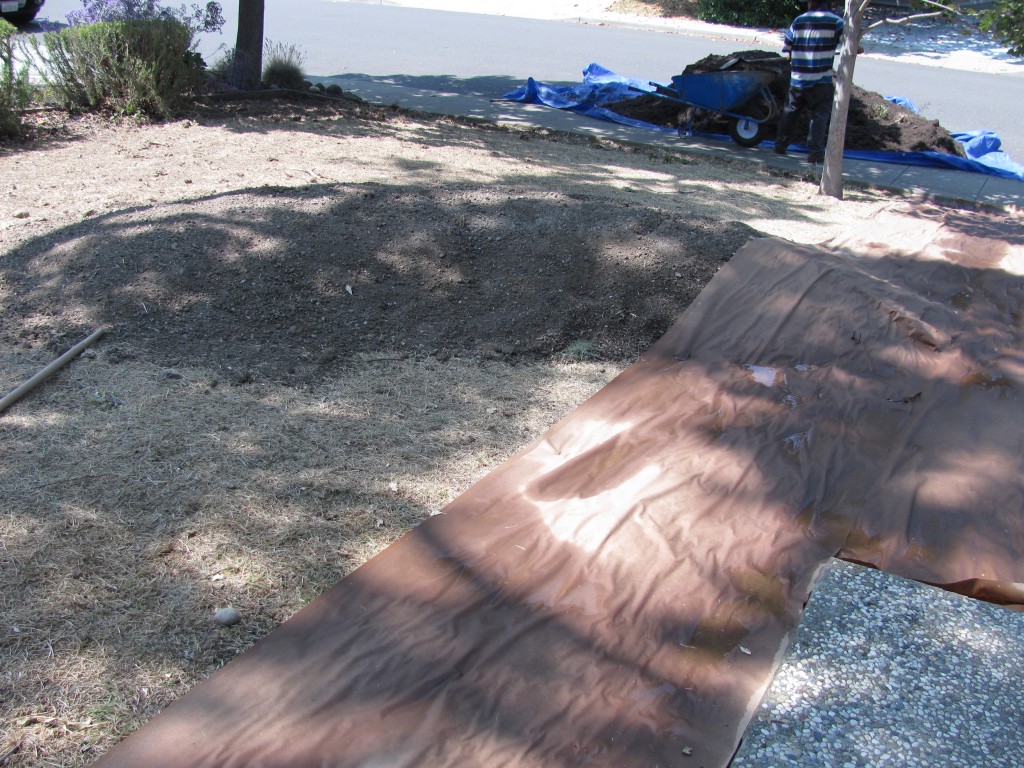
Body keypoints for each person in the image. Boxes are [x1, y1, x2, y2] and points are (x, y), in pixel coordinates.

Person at [774, 0, 848, 164]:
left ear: (810, 3)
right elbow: (849, 44)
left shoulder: (799, 21)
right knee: (819, 116)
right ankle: (815, 154)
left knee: (790, 112)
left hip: (798, 79)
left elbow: (787, 48)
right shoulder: (836, 22)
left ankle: (780, 145)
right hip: (820, 80)